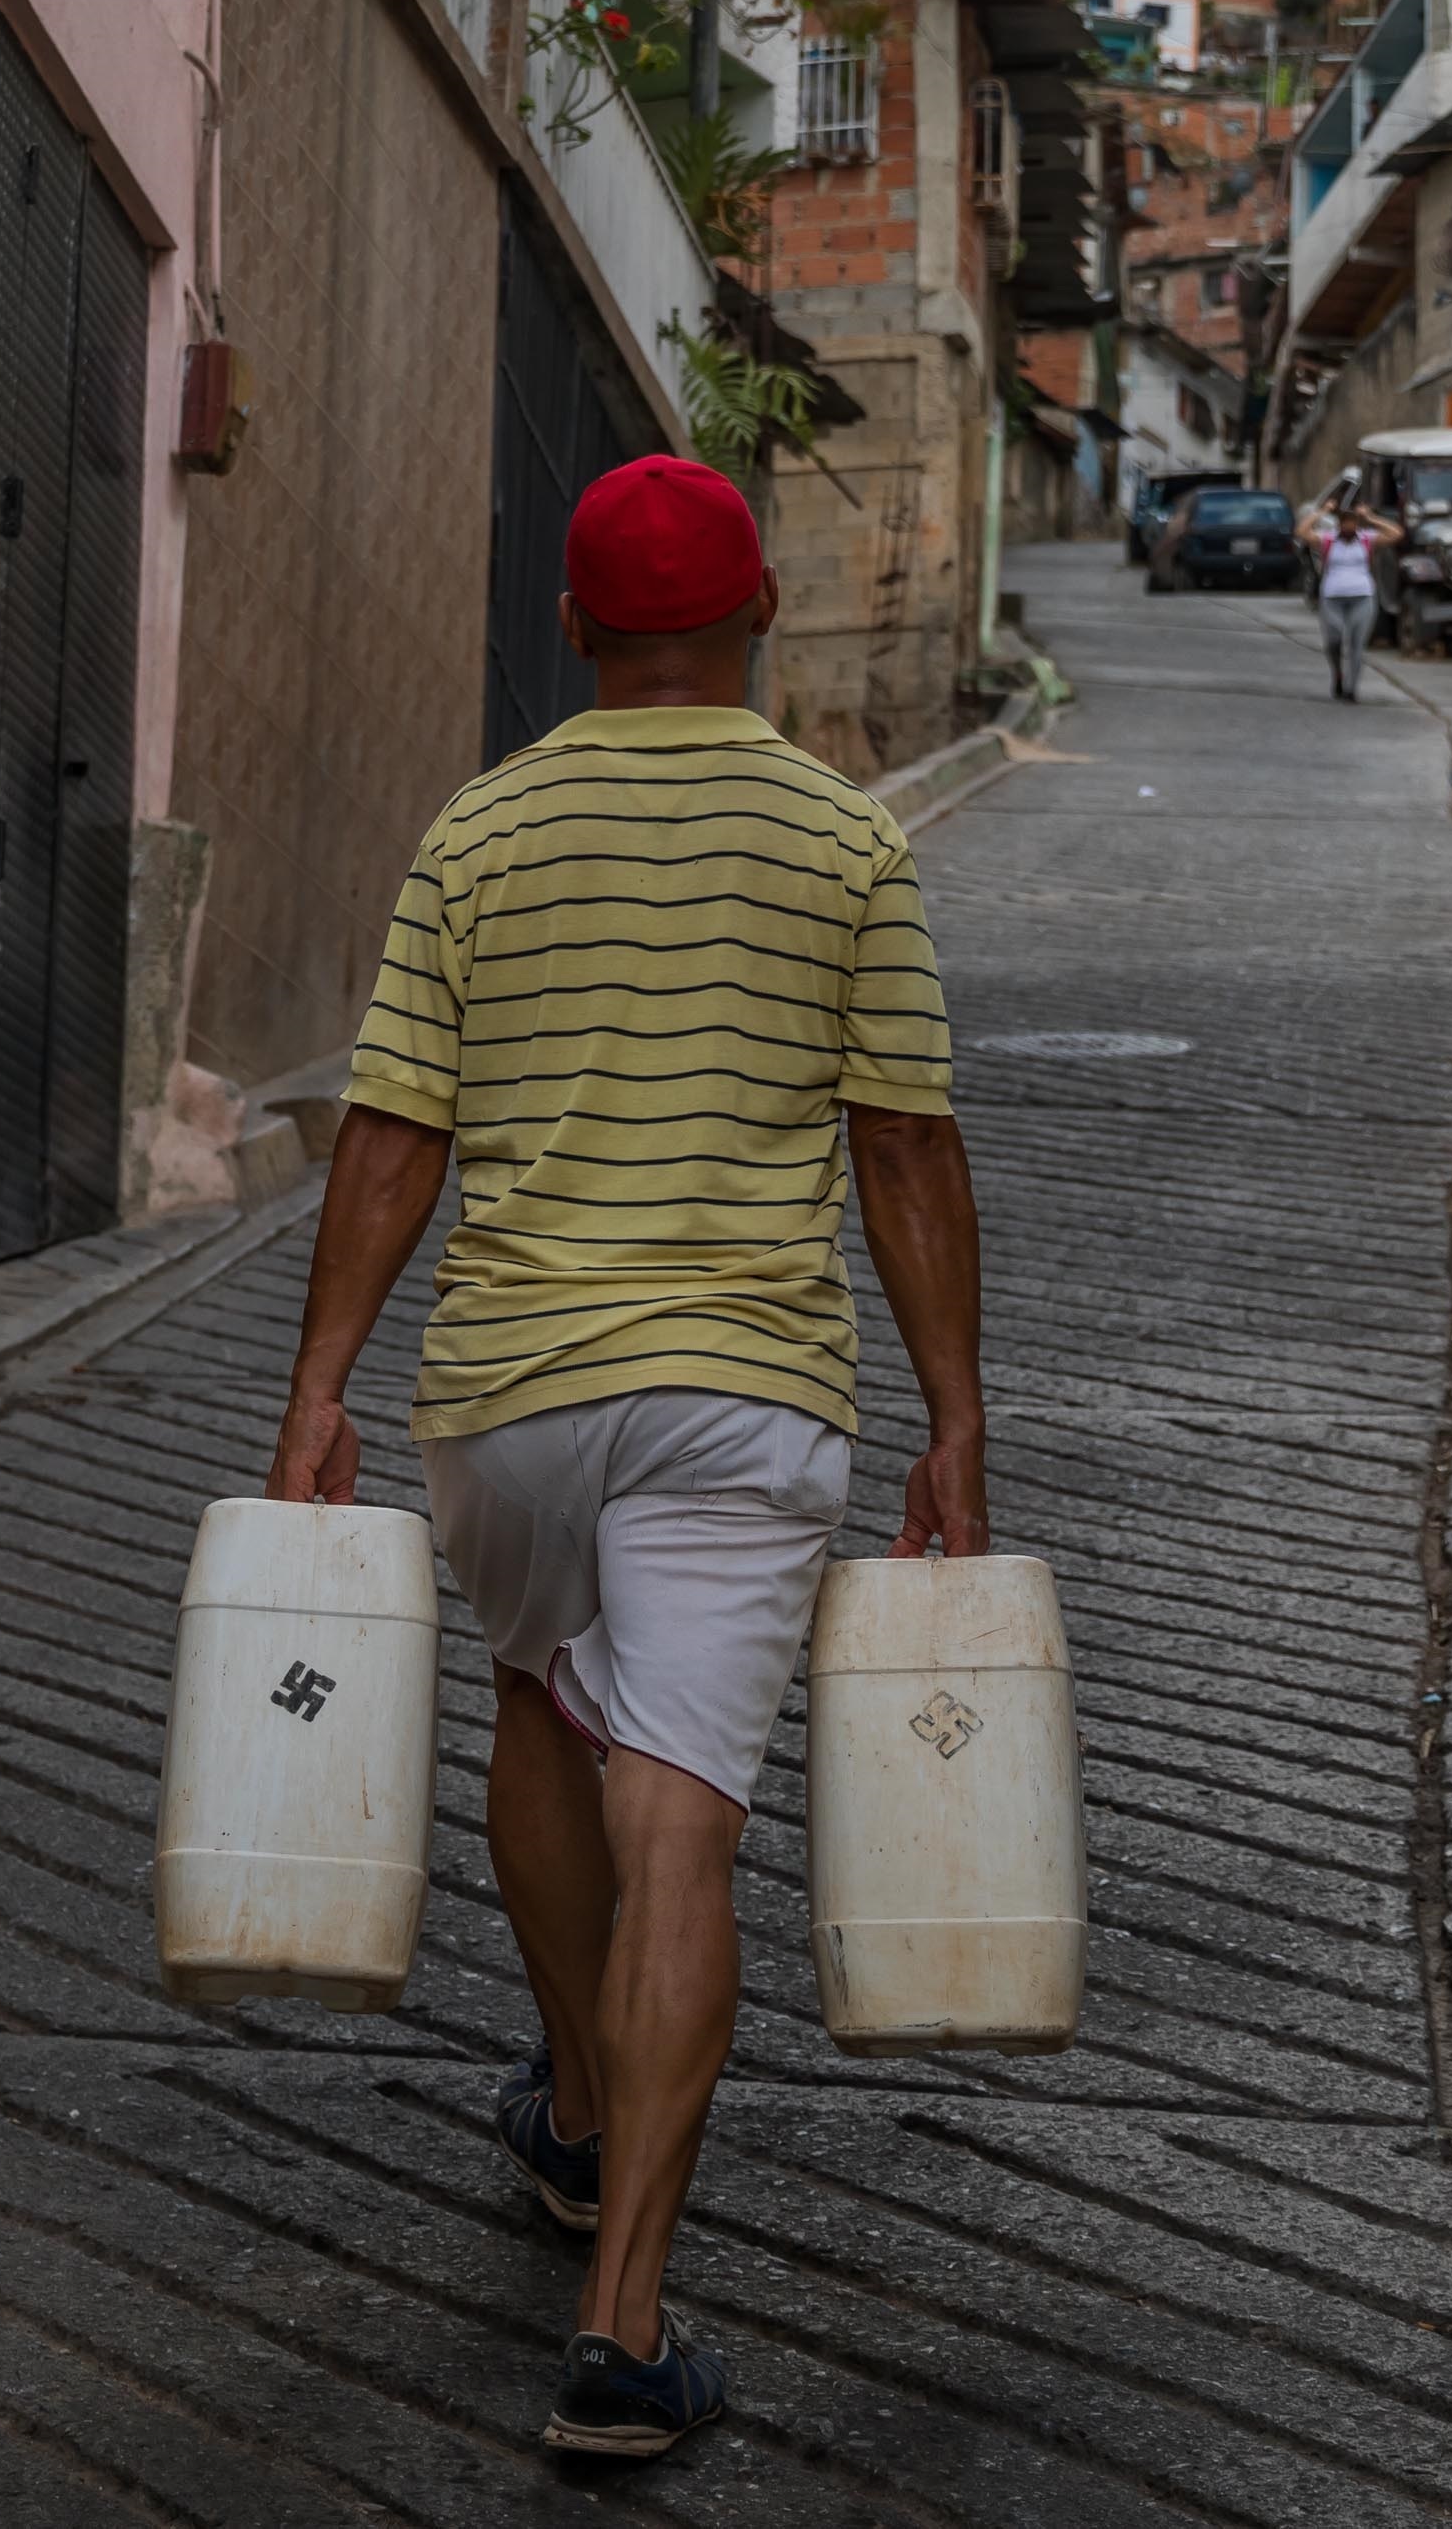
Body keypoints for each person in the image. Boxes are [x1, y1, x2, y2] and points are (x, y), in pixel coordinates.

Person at [262, 452, 994, 2464]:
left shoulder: (479, 831)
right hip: (743, 1392)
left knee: (528, 1693)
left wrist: (322, 1377)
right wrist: (953, 1411)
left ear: (573, 630)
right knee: (679, 1820)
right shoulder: (841, 840)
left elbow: (393, 1128)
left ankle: (576, 2111)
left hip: (507, 1392)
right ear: (758, 619)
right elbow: (903, 1140)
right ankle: (623, 2322)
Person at [1310, 494, 1396, 701]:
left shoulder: (1367, 539)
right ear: (1340, 525)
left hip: (1362, 596)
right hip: (1332, 597)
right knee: (1334, 639)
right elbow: (1302, 531)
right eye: (1345, 524)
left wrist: (1370, 517)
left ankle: (1351, 688)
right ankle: (1337, 673)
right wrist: (1322, 512)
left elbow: (1396, 533)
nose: (1349, 527)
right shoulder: (1328, 539)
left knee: (1357, 643)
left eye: (1353, 523)